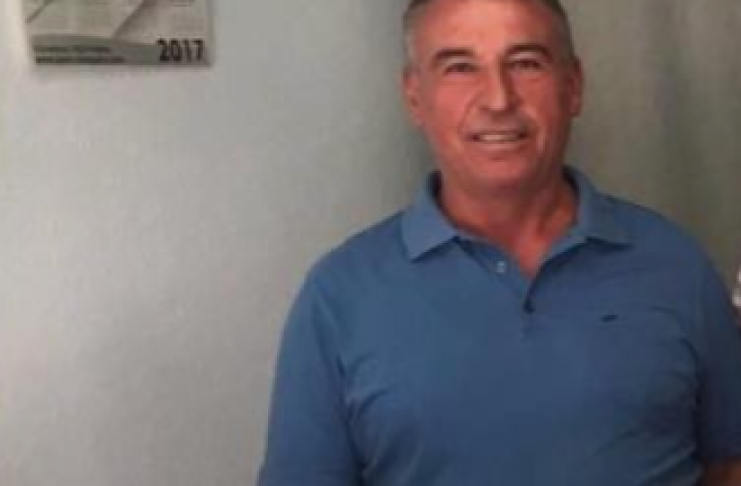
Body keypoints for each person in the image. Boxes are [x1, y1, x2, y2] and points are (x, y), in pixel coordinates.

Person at [258, 0, 741, 484]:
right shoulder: (340, 297)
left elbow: (729, 465)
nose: (498, 99)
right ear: (414, 96)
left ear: (573, 86)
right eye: (459, 67)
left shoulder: (677, 266)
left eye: (526, 63)